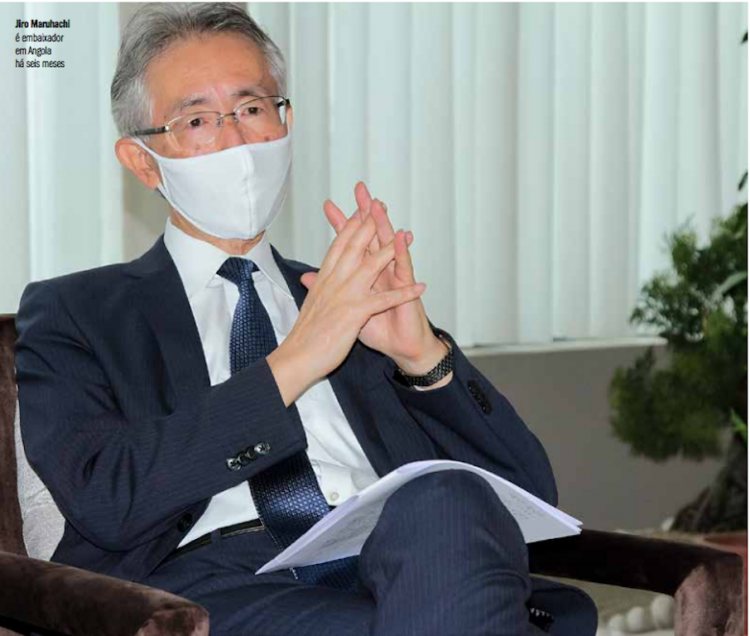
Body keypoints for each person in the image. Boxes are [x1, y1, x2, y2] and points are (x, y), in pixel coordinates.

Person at [15, 4, 597, 635]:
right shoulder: (78, 312)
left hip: (405, 563)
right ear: (143, 161)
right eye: (198, 120)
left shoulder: (352, 296)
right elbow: (107, 498)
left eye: (252, 108)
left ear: (285, 121)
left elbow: (528, 499)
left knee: (447, 499)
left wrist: (423, 359)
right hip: (218, 586)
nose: (237, 140)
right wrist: (295, 360)